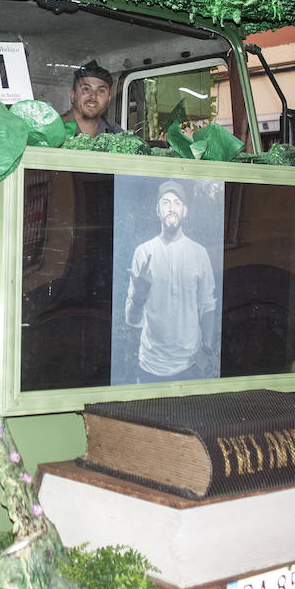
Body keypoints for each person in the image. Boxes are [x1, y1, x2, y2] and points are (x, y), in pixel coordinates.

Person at [124, 180, 218, 383]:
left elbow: (208, 306)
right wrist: (139, 298)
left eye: (177, 202)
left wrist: (206, 349)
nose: (171, 208)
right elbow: (132, 320)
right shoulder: (143, 252)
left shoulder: (199, 253)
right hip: (150, 367)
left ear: (185, 210)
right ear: (157, 210)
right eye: (165, 202)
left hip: (191, 366)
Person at [60, 61, 121, 137]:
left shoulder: (115, 134)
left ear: (108, 100)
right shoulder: (55, 129)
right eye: (86, 89)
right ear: (73, 95)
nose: (93, 96)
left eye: (101, 91)